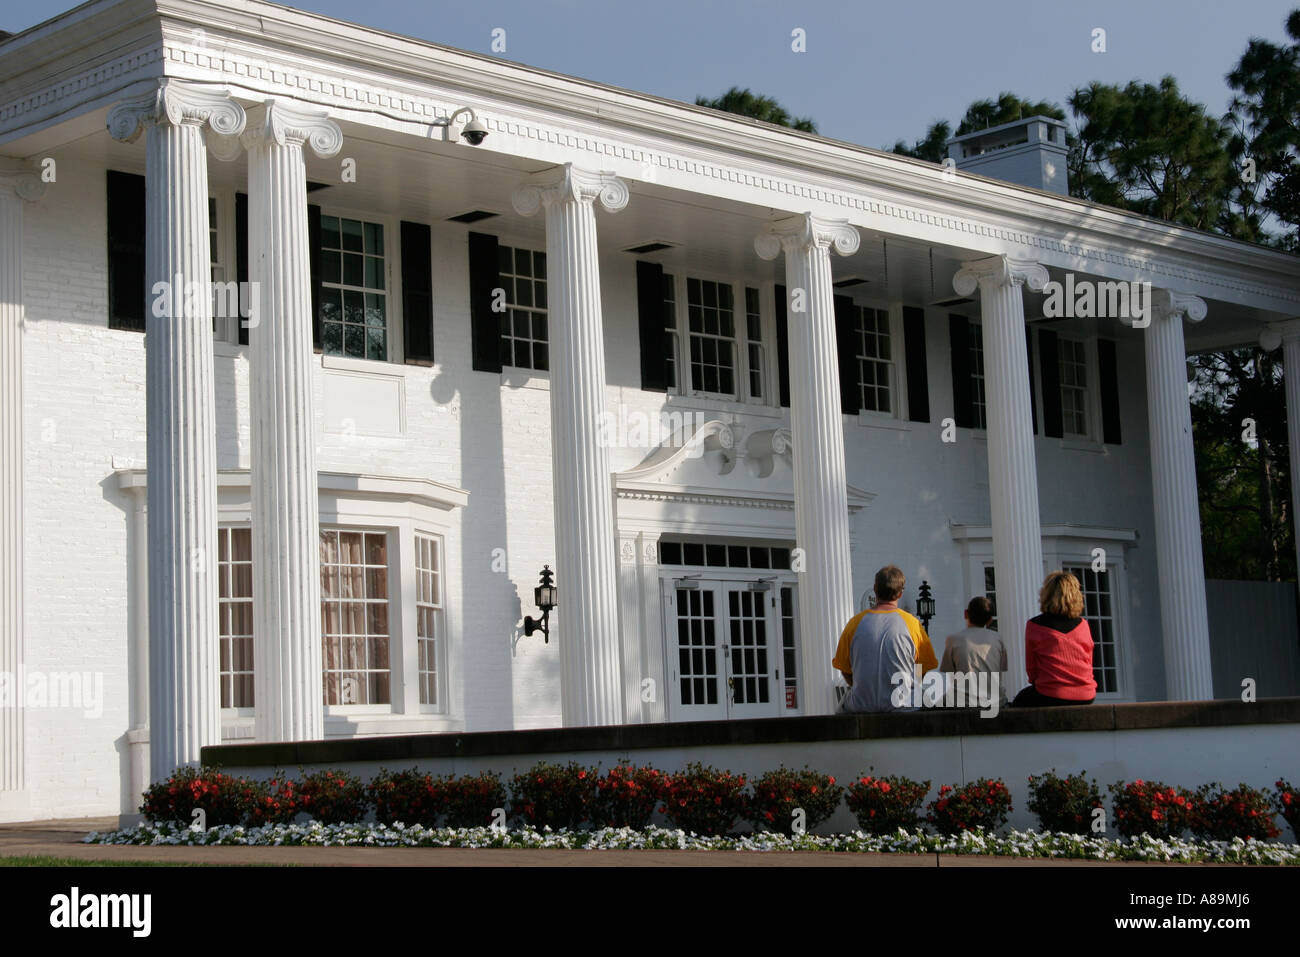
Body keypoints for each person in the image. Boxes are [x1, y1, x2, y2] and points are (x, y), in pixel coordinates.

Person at [833, 565, 938, 712]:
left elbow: (845, 669)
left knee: (840, 708)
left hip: (862, 705)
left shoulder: (854, 623)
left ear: (875, 589)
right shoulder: (912, 624)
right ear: (901, 593)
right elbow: (923, 669)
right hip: (904, 705)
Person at [1010, 570, 1097, 707]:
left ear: (1047, 595)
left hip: (1051, 693)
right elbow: (1088, 662)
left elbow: (1032, 670)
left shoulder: (1034, 625)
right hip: (1086, 694)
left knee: (1018, 702)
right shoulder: (1083, 625)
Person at [939, 596, 1007, 706]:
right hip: (994, 701)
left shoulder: (953, 639)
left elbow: (951, 674)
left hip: (962, 702)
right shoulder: (998, 639)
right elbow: (999, 672)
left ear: (966, 613)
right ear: (990, 621)